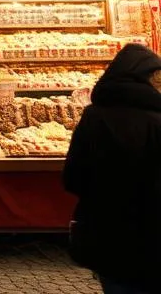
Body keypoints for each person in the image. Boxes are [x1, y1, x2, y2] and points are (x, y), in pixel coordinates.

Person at [63, 43, 161, 294]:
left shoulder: (94, 117)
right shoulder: (156, 120)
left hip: (106, 232)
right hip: (152, 233)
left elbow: (73, 177)